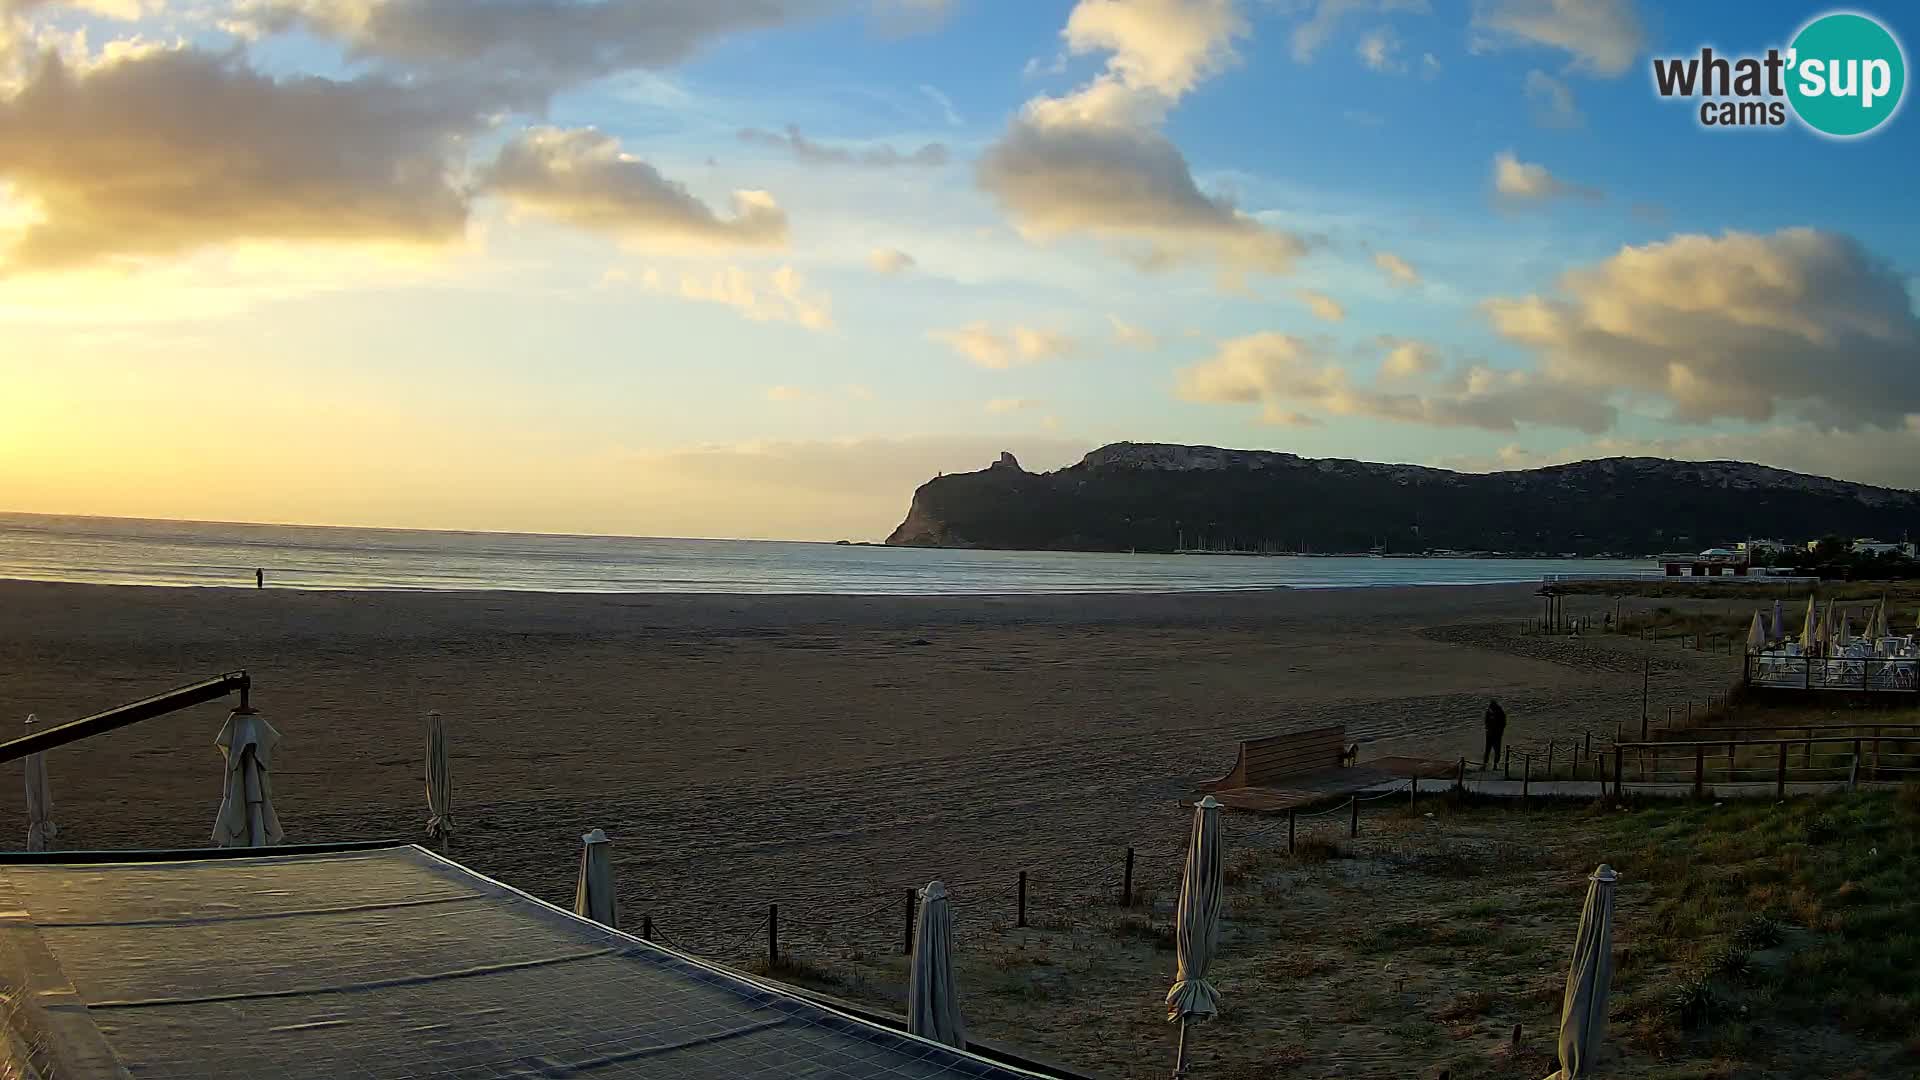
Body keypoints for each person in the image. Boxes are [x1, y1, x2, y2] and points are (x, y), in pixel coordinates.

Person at [1483, 698, 1507, 767]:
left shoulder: (1500, 713)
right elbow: (1486, 722)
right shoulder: (1488, 712)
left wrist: (1499, 731)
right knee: (1487, 750)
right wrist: (1487, 729)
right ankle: (1485, 764)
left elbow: (1503, 724)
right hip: (1489, 734)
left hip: (1497, 735)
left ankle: (1495, 765)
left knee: (1497, 751)